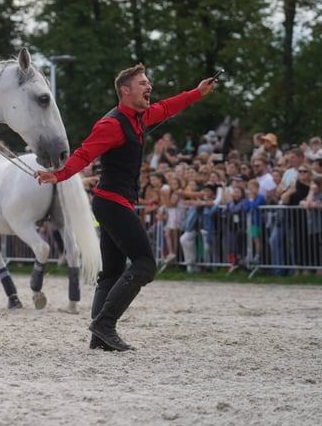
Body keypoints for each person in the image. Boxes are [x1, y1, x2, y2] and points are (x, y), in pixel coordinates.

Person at [35, 63, 217, 351]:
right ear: (125, 90)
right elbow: (84, 153)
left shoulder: (139, 117)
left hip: (113, 203)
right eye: (143, 83)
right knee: (145, 265)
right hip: (111, 203)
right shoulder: (111, 123)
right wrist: (57, 175)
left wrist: (196, 93)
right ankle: (105, 324)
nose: (149, 87)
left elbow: (168, 107)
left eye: (148, 83)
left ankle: (99, 339)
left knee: (110, 274)